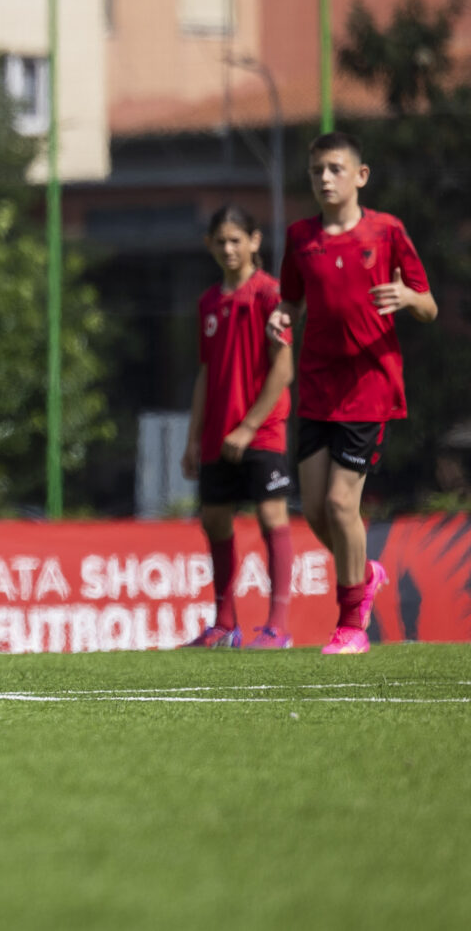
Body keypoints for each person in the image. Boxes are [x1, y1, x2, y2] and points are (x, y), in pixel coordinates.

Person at [268, 132, 435, 655]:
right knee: (317, 511)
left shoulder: (387, 231)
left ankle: (351, 625)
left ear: (360, 176)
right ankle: (365, 574)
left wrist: (407, 296)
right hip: (318, 384)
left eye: (335, 169)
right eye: (317, 170)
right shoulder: (300, 237)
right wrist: (281, 317)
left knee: (342, 505)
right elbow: (291, 302)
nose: (325, 179)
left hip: (368, 384)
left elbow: (429, 306)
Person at [179, 206, 295, 650]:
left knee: (271, 516)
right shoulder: (208, 302)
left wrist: (248, 426)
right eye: (221, 241)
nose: (228, 249)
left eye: (236, 240)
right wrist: (193, 438)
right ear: (209, 244)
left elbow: (283, 369)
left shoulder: (270, 294)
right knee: (214, 520)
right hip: (217, 432)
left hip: (261, 429)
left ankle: (278, 627)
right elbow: (206, 372)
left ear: (254, 241)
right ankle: (224, 625)